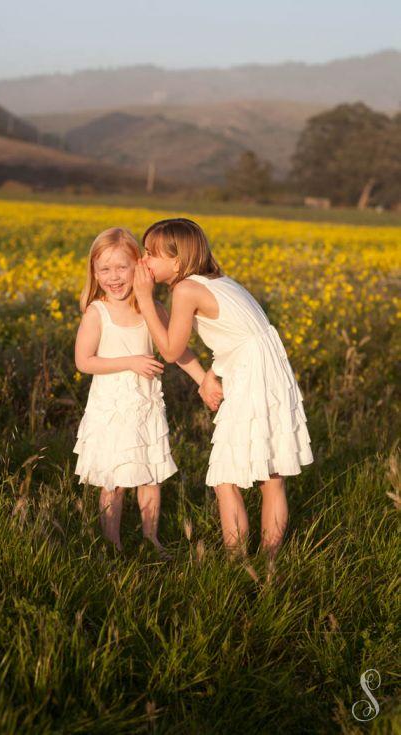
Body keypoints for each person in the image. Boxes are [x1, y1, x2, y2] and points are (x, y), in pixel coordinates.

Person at [133, 218, 313, 580]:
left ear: (178, 260)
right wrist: (212, 375)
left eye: (151, 254)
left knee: (225, 479)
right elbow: (242, 335)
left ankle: (236, 565)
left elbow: (169, 350)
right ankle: (271, 564)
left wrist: (143, 297)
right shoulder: (223, 281)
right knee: (271, 477)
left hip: (251, 380)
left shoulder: (185, 290)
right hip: (270, 375)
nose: (145, 262)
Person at [73, 226, 223, 556]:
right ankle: (112, 544)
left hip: (146, 407)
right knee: (114, 480)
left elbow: (177, 350)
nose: (113, 277)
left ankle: (151, 538)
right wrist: (131, 362)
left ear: (139, 267)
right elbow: (84, 361)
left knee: (150, 475)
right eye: (104, 269)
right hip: (112, 408)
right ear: (95, 273)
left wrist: (203, 380)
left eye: (121, 268)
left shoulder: (151, 307)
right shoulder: (97, 313)